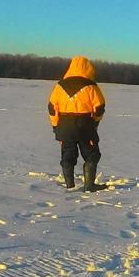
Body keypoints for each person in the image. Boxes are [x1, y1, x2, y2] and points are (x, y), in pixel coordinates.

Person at [47, 56, 107, 192]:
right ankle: (89, 185)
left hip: (64, 126)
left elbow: (52, 108)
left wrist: (56, 126)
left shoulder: (59, 86)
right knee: (92, 154)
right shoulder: (91, 86)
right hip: (85, 126)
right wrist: (95, 121)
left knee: (68, 154)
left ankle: (69, 185)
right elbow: (99, 107)